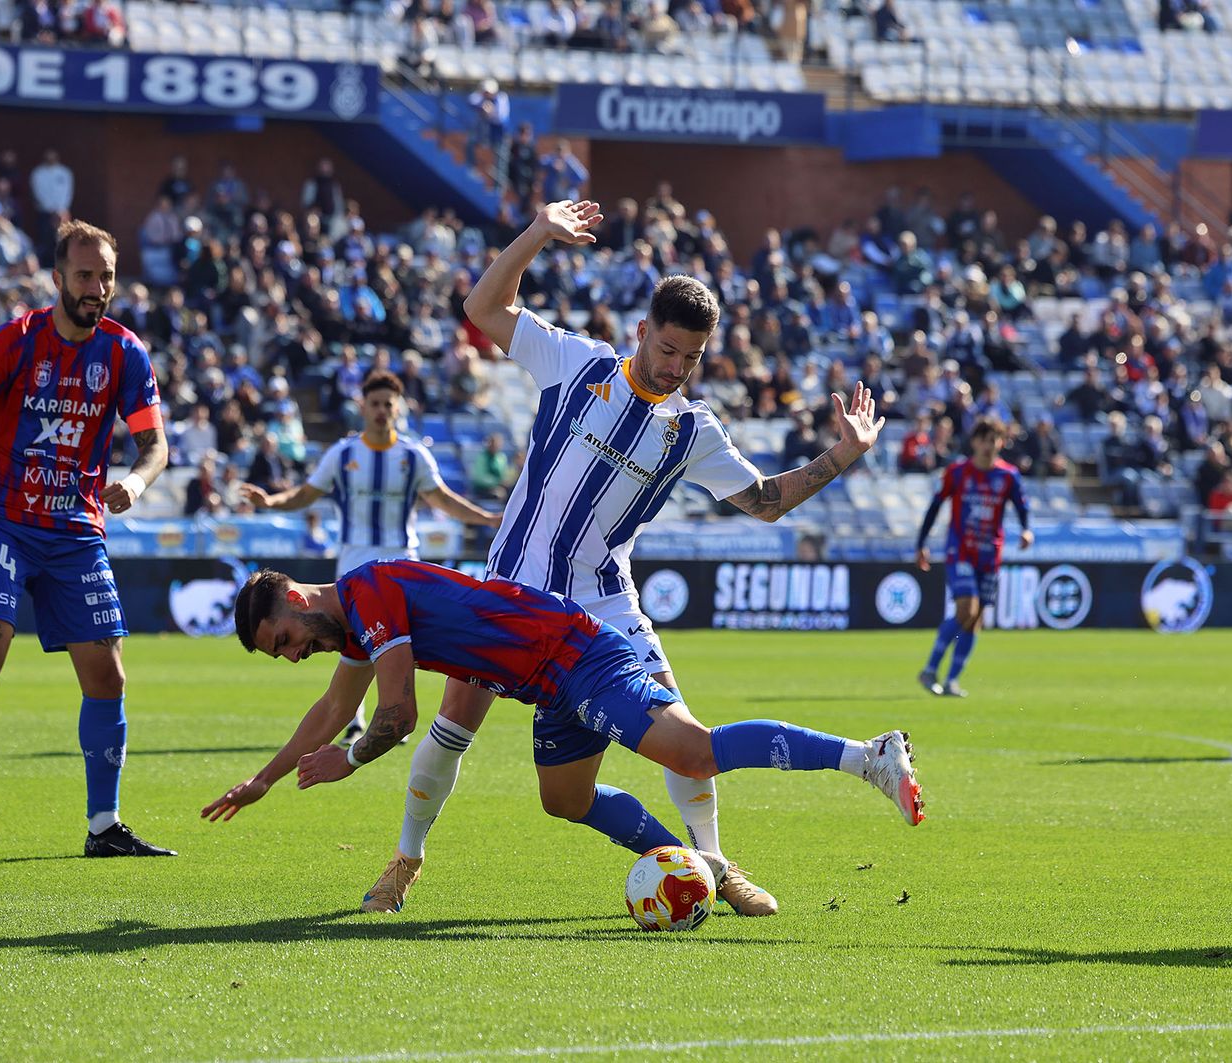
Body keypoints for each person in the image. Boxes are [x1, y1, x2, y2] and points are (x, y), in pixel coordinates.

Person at [315, 199, 881, 917]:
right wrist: (538, 234)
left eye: (691, 358)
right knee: (455, 725)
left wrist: (842, 455)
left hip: (604, 601)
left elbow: (766, 501)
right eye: (667, 349)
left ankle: (714, 863)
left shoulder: (693, 431)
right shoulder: (577, 363)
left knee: (682, 731)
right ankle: (406, 859)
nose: (675, 367)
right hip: (512, 590)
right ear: (641, 331)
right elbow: (482, 308)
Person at [202, 562, 923, 906]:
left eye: (284, 639)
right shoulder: (357, 622)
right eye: (281, 653)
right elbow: (332, 707)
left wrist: (353, 758)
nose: (293, 654)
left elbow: (396, 715)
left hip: (577, 654)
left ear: (294, 597)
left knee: (692, 751)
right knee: (565, 799)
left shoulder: (368, 594)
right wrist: (264, 779)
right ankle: (709, 869)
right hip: (547, 683)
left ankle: (869, 757)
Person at [0, 220, 174, 867]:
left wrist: (135, 481)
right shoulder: (15, 341)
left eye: (106, 276)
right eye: (85, 275)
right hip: (3, 522)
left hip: (76, 531)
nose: (96, 288)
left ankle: (104, 825)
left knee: (107, 673)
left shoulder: (125, 352)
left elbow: (154, 443)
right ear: (57, 278)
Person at [241, 369, 501, 740]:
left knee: (401, 641)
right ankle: (355, 720)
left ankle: (394, 712)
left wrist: (487, 518)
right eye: (375, 403)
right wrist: (272, 502)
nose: (381, 411)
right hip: (354, 562)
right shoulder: (342, 454)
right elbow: (306, 494)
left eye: (387, 405)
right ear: (363, 407)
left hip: (401, 561)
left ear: (398, 408)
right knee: (350, 640)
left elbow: (442, 498)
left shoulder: (413, 455)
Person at [914, 417, 1033, 698]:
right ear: (975, 442)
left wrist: (1026, 530)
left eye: (995, 440)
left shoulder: (1008, 476)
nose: (990, 445)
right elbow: (935, 506)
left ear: (1001, 443)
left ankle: (951, 680)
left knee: (976, 619)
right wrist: (921, 543)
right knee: (966, 610)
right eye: (985, 439)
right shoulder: (957, 472)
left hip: (990, 555)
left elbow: (1022, 507)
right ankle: (930, 668)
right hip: (960, 551)